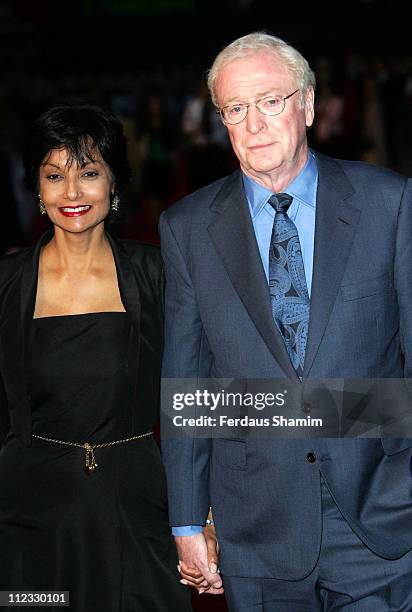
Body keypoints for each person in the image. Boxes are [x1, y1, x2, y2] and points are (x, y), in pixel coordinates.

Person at [159, 32, 412, 611]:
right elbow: (188, 385)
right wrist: (186, 521)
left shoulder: (389, 203)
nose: (253, 125)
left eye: (270, 101)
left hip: (379, 517)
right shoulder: (187, 228)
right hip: (256, 529)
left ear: (309, 105)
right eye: (236, 109)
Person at [0, 103, 192, 612]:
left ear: (114, 183)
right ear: (37, 189)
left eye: (88, 173)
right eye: (54, 175)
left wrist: (204, 515)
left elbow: (194, 391)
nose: (72, 192)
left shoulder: (158, 274)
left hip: (138, 503)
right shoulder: (6, 283)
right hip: (31, 516)